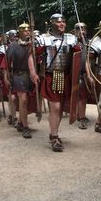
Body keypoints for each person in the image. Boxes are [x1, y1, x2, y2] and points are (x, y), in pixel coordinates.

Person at [30, 13, 79, 152]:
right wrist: (33, 72)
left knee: (61, 106)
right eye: (59, 22)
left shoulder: (71, 38)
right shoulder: (43, 39)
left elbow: (79, 56)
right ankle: (55, 136)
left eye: (63, 21)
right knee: (56, 107)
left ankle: (54, 133)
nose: (62, 24)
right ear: (52, 23)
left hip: (66, 76)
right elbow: (31, 55)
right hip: (52, 75)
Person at [5, 22, 34, 138]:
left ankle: (21, 122)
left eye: (28, 30)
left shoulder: (33, 45)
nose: (28, 32)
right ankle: (25, 127)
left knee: (28, 101)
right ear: (20, 32)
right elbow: (6, 64)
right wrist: (7, 77)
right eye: (25, 30)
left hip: (31, 76)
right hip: (19, 75)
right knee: (23, 100)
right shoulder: (13, 46)